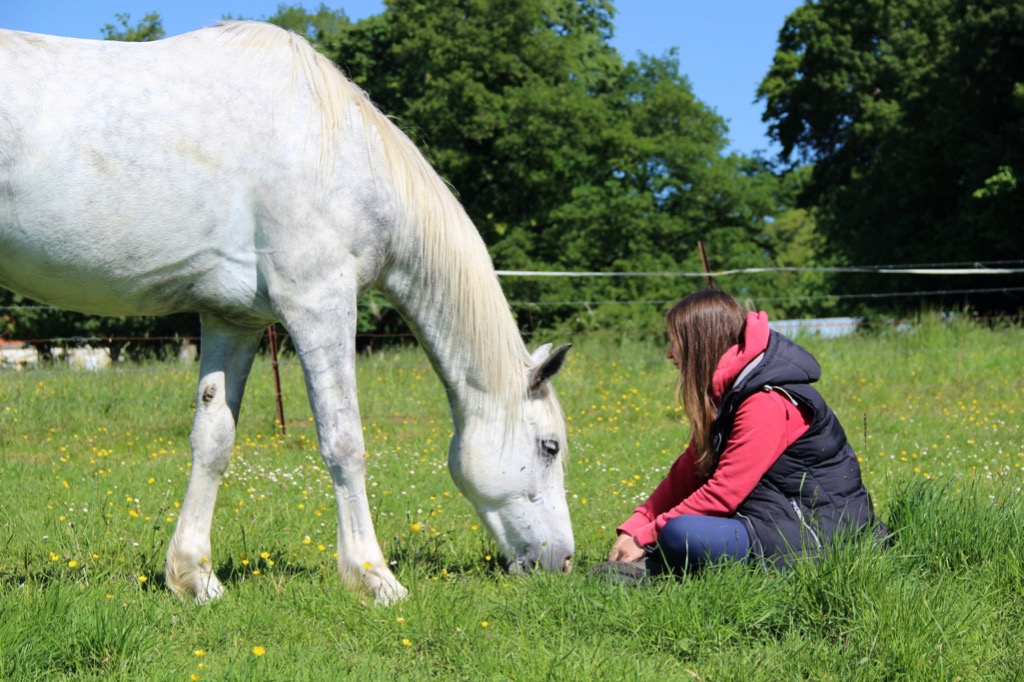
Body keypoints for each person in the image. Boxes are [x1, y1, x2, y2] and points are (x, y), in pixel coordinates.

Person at [602, 289, 886, 579]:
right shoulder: (731, 392)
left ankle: (654, 571)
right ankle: (655, 568)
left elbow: (724, 493)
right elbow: (688, 471)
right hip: (770, 515)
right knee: (678, 531)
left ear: (700, 343)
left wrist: (646, 536)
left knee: (679, 533)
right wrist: (635, 525)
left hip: (818, 533)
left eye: (675, 342)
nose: (669, 353)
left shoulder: (765, 401)